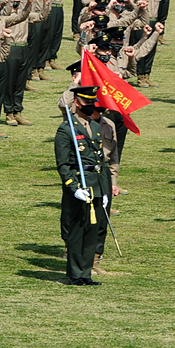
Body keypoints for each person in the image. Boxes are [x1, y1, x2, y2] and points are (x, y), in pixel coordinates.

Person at [55, 85, 109, 285]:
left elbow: (100, 162)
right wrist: (74, 187)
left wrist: (103, 190)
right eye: (86, 102)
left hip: (94, 185)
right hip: (79, 185)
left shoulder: (94, 127)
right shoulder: (66, 129)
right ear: (77, 103)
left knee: (91, 232)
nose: (90, 106)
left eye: (92, 102)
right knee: (77, 232)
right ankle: (75, 274)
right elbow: (63, 164)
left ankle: (86, 273)